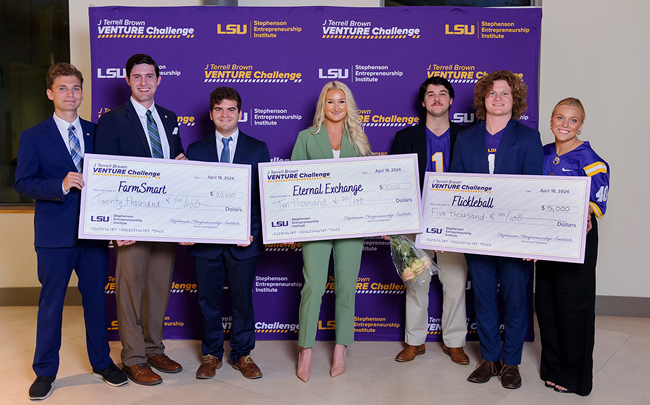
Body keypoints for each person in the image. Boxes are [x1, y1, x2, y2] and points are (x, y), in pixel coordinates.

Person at [15, 63, 127, 400]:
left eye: (76, 88)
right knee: (52, 305)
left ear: (82, 92)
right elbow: (23, 182)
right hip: (54, 237)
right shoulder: (33, 136)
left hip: (93, 235)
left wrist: (118, 224)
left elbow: (118, 179)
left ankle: (102, 363)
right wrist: (60, 184)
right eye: (63, 88)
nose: (70, 94)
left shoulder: (98, 131)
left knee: (96, 302)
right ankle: (45, 371)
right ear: (51, 94)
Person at [95, 54, 186, 386]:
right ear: (128, 80)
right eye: (137, 77)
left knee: (158, 288)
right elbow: (105, 174)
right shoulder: (113, 120)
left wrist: (182, 163)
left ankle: (153, 348)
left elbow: (175, 164)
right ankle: (133, 357)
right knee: (130, 289)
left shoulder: (169, 117)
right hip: (130, 220)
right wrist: (114, 226)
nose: (144, 82)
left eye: (150, 76)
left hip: (166, 218)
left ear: (158, 80)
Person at [450, 70, 543, 389]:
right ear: (483, 100)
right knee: (485, 297)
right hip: (478, 234)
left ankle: (511, 363)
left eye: (505, 93)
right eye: (493, 93)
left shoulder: (529, 137)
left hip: (515, 236)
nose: (499, 98)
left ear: (514, 100)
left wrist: (532, 241)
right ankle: (489, 359)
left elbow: (533, 191)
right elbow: (456, 187)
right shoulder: (466, 138)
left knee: (516, 298)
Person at [184, 87, 270, 380]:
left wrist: (251, 233)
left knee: (242, 299)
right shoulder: (195, 150)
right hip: (206, 243)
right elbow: (188, 197)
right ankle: (211, 354)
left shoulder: (258, 148)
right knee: (207, 300)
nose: (225, 115)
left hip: (242, 242)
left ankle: (243, 354)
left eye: (231, 109)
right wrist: (187, 229)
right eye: (219, 109)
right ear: (211, 114)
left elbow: (263, 200)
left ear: (240, 114)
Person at [291, 81, 372, 382]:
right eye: (330, 102)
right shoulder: (306, 138)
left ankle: (341, 348)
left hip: (351, 225)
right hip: (316, 224)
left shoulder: (360, 140)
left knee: (346, 286)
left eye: (341, 102)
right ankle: (306, 349)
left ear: (348, 105)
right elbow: (293, 184)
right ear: (321, 106)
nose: (336, 107)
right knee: (312, 287)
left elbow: (369, 184)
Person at [390, 77, 469, 365]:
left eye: (443, 94)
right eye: (431, 94)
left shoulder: (467, 136)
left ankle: (455, 342)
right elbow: (396, 183)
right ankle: (414, 341)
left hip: (453, 223)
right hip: (415, 223)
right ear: (423, 102)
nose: (437, 98)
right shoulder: (405, 138)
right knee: (416, 282)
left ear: (451, 100)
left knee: (456, 282)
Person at [536, 98, 609, 396]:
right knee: (548, 304)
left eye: (573, 120)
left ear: (581, 124)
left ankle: (574, 375)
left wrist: (587, 214)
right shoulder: (541, 153)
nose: (565, 125)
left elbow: (598, 200)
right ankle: (552, 368)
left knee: (573, 307)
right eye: (559, 118)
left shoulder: (590, 158)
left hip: (577, 237)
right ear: (551, 120)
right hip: (545, 237)